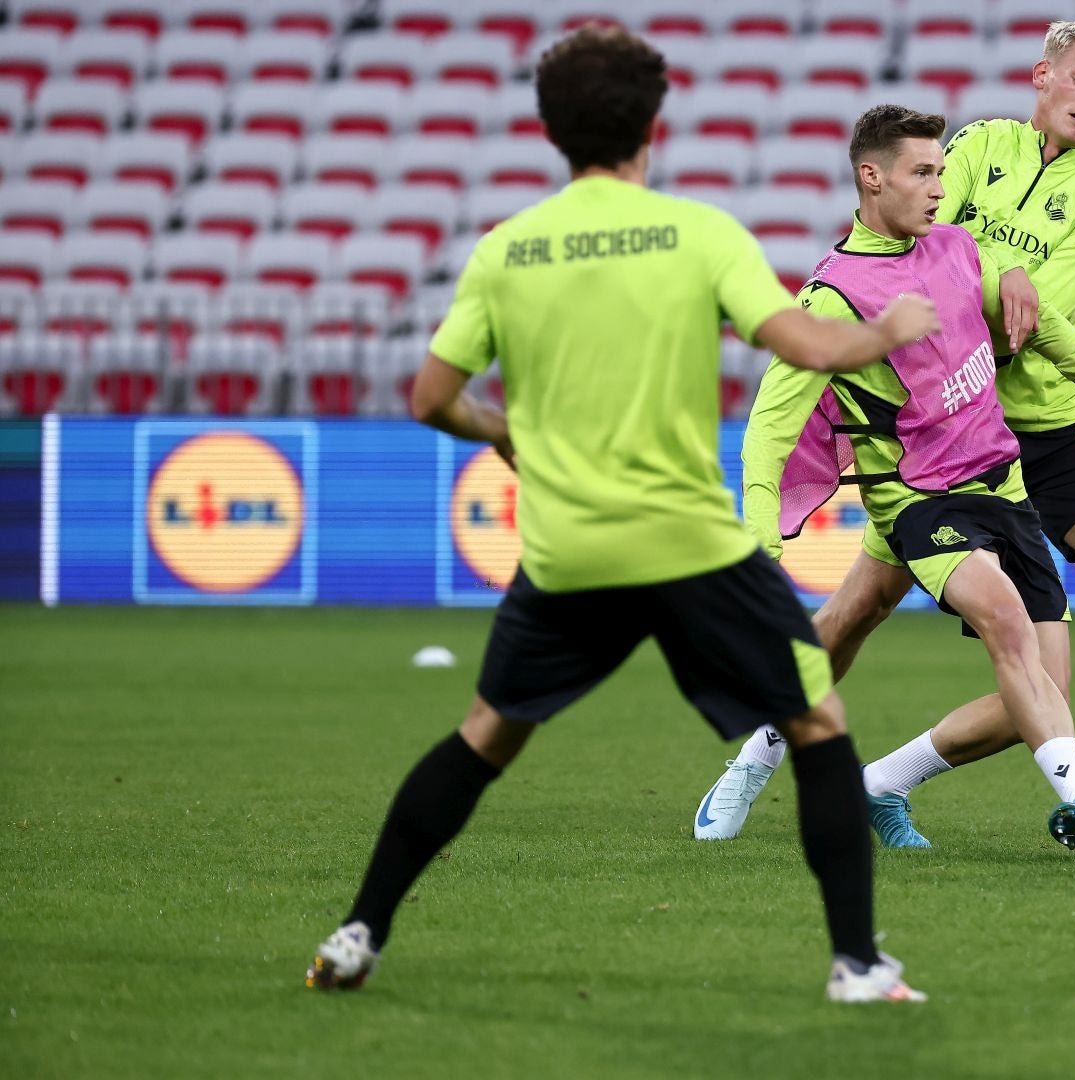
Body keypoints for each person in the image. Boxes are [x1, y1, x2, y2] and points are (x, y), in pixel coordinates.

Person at [303, 26, 937, 1003]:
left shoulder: (507, 250)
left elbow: (430, 397)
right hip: (690, 545)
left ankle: (360, 930)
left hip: (568, 552)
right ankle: (856, 963)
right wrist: (885, 330)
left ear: (551, 130)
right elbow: (807, 347)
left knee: (484, 734)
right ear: (652, 125)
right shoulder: (698, 232)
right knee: (817, 722)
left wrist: (494, 429)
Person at [694, 22, 1075, 843]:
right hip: (935, 429)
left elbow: (1021, 318)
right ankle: (755, 759)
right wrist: (990, 268)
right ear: (1043, 75)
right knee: (857, 612)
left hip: (1039, 423)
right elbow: (930, 240)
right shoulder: (978, 144)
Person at [726, 104, 1075, 859]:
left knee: (1032, 694)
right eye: (922, 172)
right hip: (917, 498)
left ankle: (873, 782)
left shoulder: (955, 247)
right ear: (871, 178)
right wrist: (760, 537)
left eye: (943, 170)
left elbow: (1035, 325)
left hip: (1001, 487)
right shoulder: (833, 295)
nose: (940, 187)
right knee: (1006, 624)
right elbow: (768, 430)